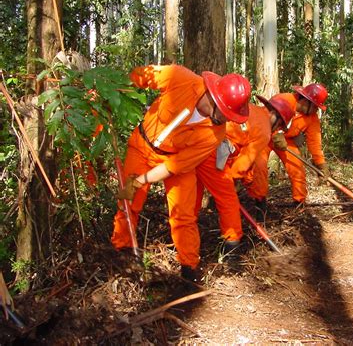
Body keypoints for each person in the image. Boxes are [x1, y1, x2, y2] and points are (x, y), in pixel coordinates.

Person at [111, 64, 251, 282]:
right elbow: (141, 76)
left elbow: (175, 165)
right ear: (215, 101)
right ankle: (122, 253)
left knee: (183, 216)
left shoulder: (216, 134)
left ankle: (189, 270)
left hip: (174, 162)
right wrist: (113, 92)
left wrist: (140, 181)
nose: (227, 120)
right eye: (226, 115)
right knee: (128, 204)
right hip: (141, 146)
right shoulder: (179, 77)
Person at [194, 93, 296, 261]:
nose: (277, 129)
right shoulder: (264, 132)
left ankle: (184, 238)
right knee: (229, 201)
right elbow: (244, 162)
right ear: (276, 117)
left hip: (201, 142)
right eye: (280, 125)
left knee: (193, 194)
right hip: (216, 150)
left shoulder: (252, 110)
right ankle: (231, 250)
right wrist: (232, 181)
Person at [247, 83, 329, 213]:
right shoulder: (285, 99)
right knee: (260, 166)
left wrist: (320, 164)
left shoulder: (312, 118)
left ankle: (299, 203)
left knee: (297, 167)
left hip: (287, 141)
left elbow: (314, 142)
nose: (316, 110)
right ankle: (259, 203)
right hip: (265, 136)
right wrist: (275, 134)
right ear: (306, 101)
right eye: (315, 107)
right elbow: (267, 118)